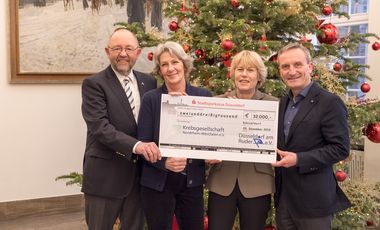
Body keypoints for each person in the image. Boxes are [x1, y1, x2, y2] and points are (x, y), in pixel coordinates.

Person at [81, 28, 161, 230]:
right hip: (105, 176)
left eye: (128, 48)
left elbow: (157, 119)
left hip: (139, 177)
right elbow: (100, 127)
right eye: (117, 48)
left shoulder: (149, 82)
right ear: (108, 52)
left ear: (138, 52)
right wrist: (138, 146)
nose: (123, 54)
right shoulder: (94, 84)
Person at [272, 43, 351, 230]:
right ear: (280, 71)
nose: (292, 71)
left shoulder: (330, 102)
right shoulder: (283, 102)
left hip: (314, 203)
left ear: (310, 67)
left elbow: (340, 149)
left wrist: (299, 159)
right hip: (284, 200)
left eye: (297, 64)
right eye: (285, 66)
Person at [137, 41, 212, 230]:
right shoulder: (151, 99)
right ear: (160, 70)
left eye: (175, 62)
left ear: (184, 65)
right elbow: (143, 143)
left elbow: (210, 139)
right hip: (157, 183)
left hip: (191, 182)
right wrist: (165, 163)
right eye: (164, 64)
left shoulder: (203, 96)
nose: (170, 68)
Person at [205, 50, 276, 230]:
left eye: (250, 70)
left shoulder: (274, 105)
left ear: (259, 75)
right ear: (233, 73)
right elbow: (204, 140)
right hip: (222, 181)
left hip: (258, 183)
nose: (244, 74)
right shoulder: (217, 103)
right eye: (239, 69)